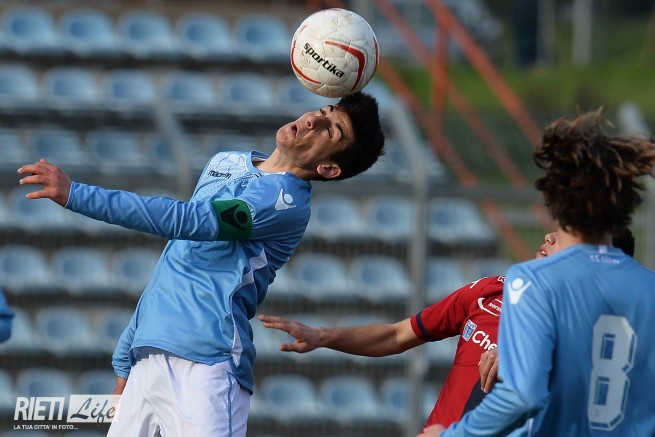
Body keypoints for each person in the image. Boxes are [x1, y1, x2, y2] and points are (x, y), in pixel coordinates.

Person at [17, 91, 385, 437]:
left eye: (331, 130)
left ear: (328, 168)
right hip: (150, 351)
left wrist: (77, 195)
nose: (313, 121)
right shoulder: (226, 162)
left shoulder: (283, 201)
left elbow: (187, 221)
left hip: (206, 365)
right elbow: (178, 255)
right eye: (322, 112)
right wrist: (127, 351)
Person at [259, 228, 636, 434]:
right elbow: (397, 335)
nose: (550, 236)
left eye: (567, 234)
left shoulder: (598, 333)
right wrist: (325, 337)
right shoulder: (492, 290)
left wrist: (525, 356)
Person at [432, 110, 655, 436]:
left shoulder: (535, 280)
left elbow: (521, 395)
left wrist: (454, 434)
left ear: (555, 201)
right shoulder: (649, 287)